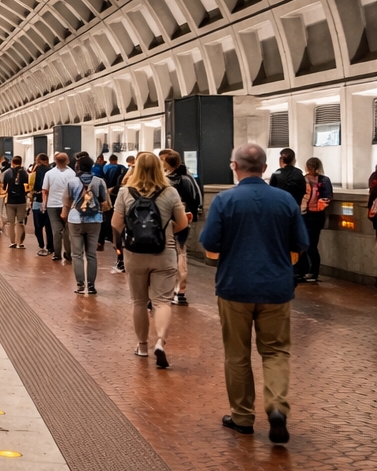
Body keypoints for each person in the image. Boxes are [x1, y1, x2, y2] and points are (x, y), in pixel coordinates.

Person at [199, 143, 307, 444]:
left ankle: (242, 416)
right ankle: (276, 407)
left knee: (237, 354)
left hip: (235, 287)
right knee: (275, 351)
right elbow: (301, 243)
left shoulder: (224, 200)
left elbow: (210, 242)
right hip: (277, 287)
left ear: (234, 166)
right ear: (265, 167)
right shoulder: (285, 200)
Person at [112, 153, 189, 367]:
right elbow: (182, 223)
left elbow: (115, 223)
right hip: (163, 251)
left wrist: (119, 245)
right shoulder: (170, 192)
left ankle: (142, 346)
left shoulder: (125, 192)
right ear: (159, 167)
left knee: (138, 301)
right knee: (162, 301)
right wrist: (167, 229)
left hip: (134, 253)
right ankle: (161, 342)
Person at [62, 153, 110, 293]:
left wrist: (64, 215)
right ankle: (91, 285)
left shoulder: (71, 182)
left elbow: (66, 202)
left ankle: (80, 285)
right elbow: (105, 204)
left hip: (75, 219)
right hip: (95, 220)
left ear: (77, 167)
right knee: (91, 254)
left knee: (77, 254)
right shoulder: (99, 181)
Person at [160, 150, 201, 305]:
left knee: (165, 253)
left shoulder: (163, 181)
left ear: (166, 163)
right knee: (181, 253)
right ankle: (181, 291)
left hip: (165, 220)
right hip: (184, 218)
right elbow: (196, 199)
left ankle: (165, 288)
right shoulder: (188, 179)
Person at [297, 157, 332, 285]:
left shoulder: (303, 179)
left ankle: (310, 271)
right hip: (318, 216)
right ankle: (312, 271)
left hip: (305, 214)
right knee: (312, 244)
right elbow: (328, 197)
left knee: (307, 245)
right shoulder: (325, 180)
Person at [43, 153, 76, 262]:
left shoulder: (49, 173)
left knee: (56, 231)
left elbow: (45, 190)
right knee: (67, 230)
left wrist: (44, 204)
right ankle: (68, 253)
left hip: (52, 205)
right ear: (67, 161)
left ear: (55, 161)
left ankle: (57, 254)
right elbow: (75, 190)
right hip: (68, 205)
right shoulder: (72, 173)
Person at [1, 155, 29, 249]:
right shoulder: (25, 173)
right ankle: (19, 243)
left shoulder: (7, 173)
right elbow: (27, 188)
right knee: (20, 222)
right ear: (21, 162)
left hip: (10, 201)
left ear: (12, 162)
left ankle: (12, 242)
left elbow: (4, 187)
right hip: (21, 201)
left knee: (11, 222)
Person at [30, 154, 52, 255]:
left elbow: (32, 185)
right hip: (49, 200)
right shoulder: (52, 170)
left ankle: (41, 245)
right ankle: (50, 246)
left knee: (38, 225)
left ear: (38, 160)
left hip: (37, 199)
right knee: (49, 225)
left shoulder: (35, 170)